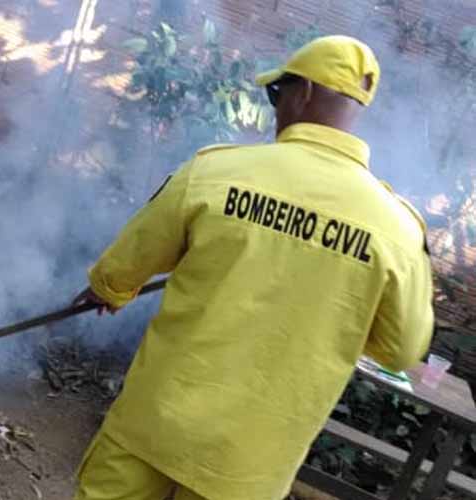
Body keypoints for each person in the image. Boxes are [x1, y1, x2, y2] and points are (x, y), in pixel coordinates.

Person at [71, 35, 434, 500]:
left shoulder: (217, 172)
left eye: (275, 94)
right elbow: (400, 351)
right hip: (248, 464)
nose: (275, 108)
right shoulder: (398, 229)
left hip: (155, 422)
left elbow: (129, 262)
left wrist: (107, 289)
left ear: (301, 91)